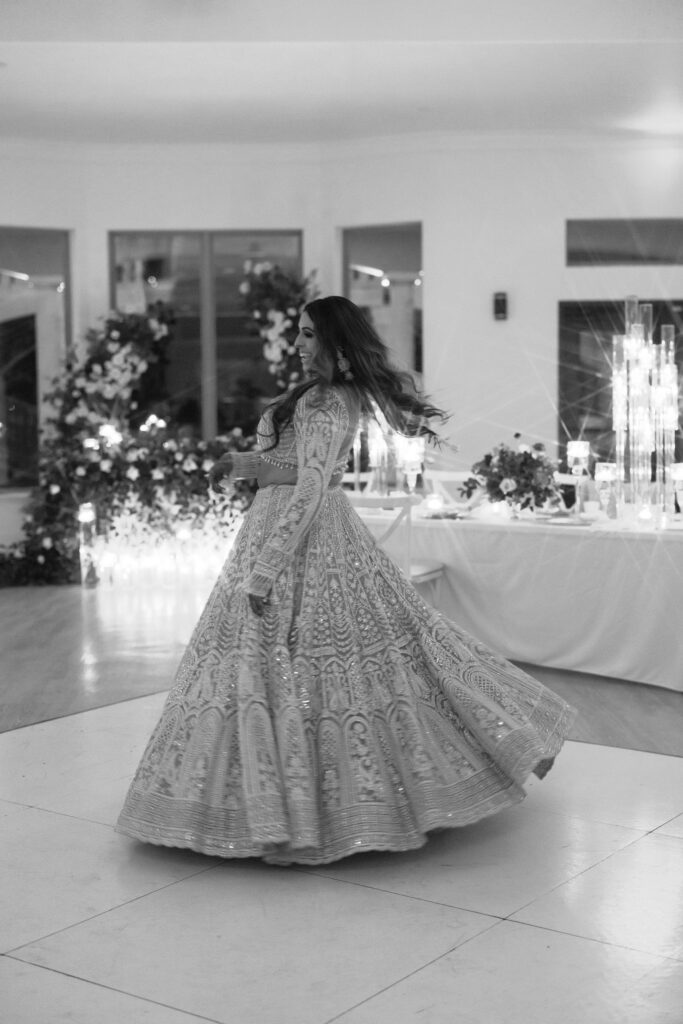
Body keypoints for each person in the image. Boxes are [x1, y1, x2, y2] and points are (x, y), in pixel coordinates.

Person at [116, 295, 576, 866]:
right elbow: (298, 468)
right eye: (300, 334)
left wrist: (266, 568)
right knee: (288, 668)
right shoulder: (315, 396)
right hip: (276, 528)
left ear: (335, 340)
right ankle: (270, 801)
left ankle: (322, 807)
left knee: (331, 664)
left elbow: (313, 487)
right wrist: (242, 465)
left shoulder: (331, 400)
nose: (300, 345)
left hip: (301, 539)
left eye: (310, 335)